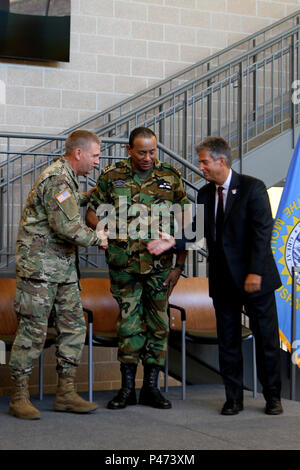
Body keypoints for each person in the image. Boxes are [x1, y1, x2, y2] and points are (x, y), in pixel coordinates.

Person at [148, 136, 283, 416]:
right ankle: (233, 398)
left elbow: (262, 236)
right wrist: (173, 242)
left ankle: (273, 397)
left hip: (255, 279)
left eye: (205, 162)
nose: (201, 167)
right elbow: (197, 231)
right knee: (228, 343)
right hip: (224, 282)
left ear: (221, 161)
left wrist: (256, 272)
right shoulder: (206, 194)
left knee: (267, 341)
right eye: (200, 162)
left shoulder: (252, 188)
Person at [86, 126, 189, 410]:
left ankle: (152, 388)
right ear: (129, 150)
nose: (147, 157)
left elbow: (187, 223)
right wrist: (101, 231)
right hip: (124, 268)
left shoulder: (170, 176)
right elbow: (91, 211)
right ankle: (127, 389)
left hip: (161, 269)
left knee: (158, 327)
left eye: (152, 151)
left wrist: (179, 266)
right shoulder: (111, 176)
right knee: (129, 327)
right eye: (141, 152)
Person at [9, 130, 108, 420]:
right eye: (95, 155)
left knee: (75, 327)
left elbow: (63, 204)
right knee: (33, 331)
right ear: (78, 153)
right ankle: (19, 396)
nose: (97, 162)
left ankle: (65, 393)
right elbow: (65, 227)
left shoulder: (67, 179)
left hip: (62, 270)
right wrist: (97, 238)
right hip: (40, 271)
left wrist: (82, 196)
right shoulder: (58, 178)